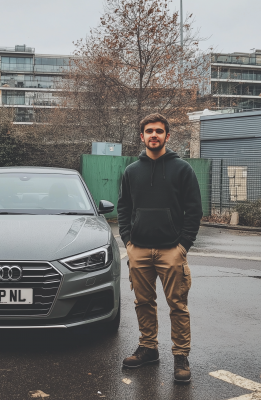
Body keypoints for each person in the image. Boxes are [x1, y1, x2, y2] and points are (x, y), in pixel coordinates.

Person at [117, 113, 202, 383]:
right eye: (149, 131)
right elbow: (123, 208)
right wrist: (128, 242)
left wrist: (183, 246)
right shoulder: (131, 171)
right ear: (141, 136)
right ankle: (148, 349)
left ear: (167, 135)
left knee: (177, 304)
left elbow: (194, 211)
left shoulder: (182, 169)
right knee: (143, 303)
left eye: (159, 131)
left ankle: (180, 356)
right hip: (139, 250)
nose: (154, 135)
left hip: (171, 251)